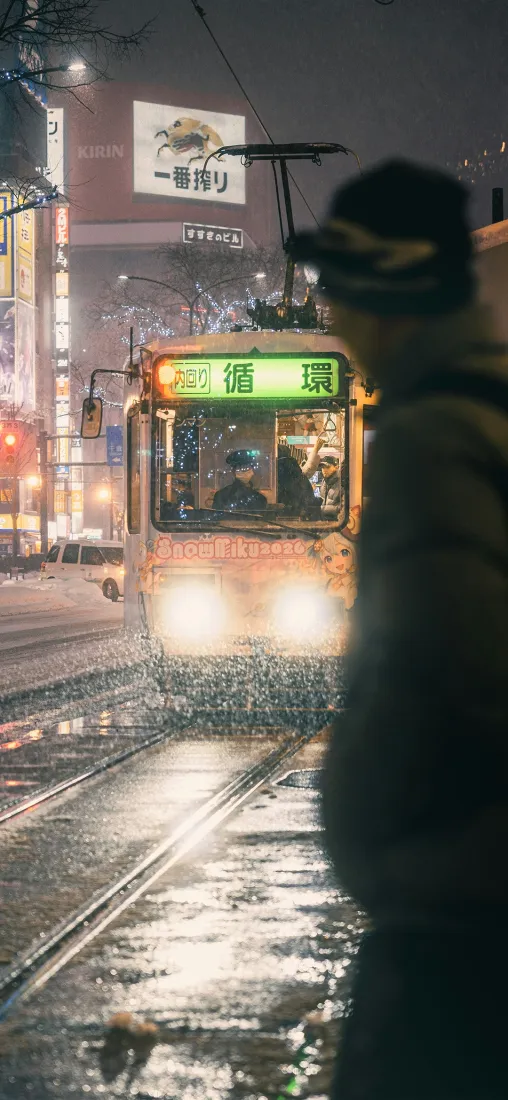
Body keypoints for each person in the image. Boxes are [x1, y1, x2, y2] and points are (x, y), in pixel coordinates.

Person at [293, 159, 508, 1099]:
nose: (332, 317)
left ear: (386, 295)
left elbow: (444, 666)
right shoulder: (489, 407)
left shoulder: (430, 438)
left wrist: (375, 829)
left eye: (338, 292)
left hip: (454, 911)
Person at [277, 444, 318, 513]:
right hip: (298, 515)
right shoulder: (300, 475)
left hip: (277, 515)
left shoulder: (272, 475)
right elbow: (310, 501)